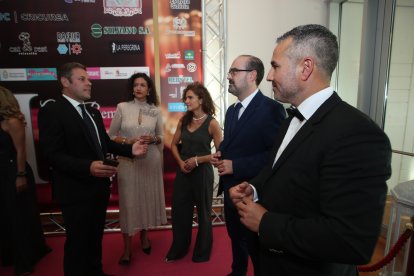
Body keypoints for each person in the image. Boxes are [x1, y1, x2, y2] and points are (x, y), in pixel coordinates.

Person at [229, 24, 392, 276]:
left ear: (306, 68)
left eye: (275, 66)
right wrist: (254, 187)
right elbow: (280, 171)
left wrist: (265, 223)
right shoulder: (290, 119)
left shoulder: (358, 134)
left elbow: (350, 240)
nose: (269, 76)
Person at [38, 62, 148, 276]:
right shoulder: (53, 110)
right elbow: (52, 155)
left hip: (98, 189)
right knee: (78, 244)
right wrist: (87, 167)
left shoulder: (92, 113)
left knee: (95, 238)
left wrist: (129, 149)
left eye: (88, 79)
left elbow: (104, 143)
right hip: (74, 190)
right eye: (82, 79)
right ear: (65, 82)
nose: (89, 83)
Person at [211, 55, 286, 276]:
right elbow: (235, 143)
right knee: (236, 238)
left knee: (256, 248)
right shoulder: (233, 110)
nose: (229, 77)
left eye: (234, 71)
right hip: (230, 191)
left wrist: (237, 166)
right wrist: (221, 152)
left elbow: (277, 156)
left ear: (252, 75)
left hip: (253, 191)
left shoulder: (271, 109)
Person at [108, 72, 167, 265]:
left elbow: (162, 138)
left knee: (145, 199)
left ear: (149, 89)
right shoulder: (122, 108)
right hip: (128, 161)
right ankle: (126, 249)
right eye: (136, 85)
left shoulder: (155, 111)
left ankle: (144, 237)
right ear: (132, 88)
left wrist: (154, 139)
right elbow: (110, 136)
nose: (139, 88)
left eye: (143, 85)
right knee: (129, 203)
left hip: (150, 160)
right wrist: (128, 141)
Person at [165, 82, 222, 263]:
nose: (186, 101)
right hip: (184, 172)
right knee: (180, 212)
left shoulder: (212, 123)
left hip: (203, 173)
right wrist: (181, 163)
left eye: (190, 97)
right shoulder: (184, 120)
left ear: (201, 99)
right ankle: (179, 249)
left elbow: (220, 154)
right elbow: (174, 145)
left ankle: (202, 252)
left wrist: (198, 160)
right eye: (185, 98)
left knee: (204, 213)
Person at [0, 86, 51, 276]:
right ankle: (9, 255)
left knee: (18, 217)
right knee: (5, 216)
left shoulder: (12, 122)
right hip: (2, 172)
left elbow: (21, 151)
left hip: (14, 171)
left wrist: (20, 175)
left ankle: (26, 258)